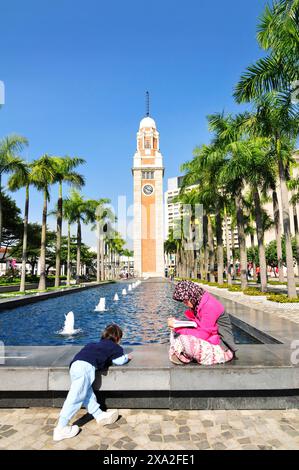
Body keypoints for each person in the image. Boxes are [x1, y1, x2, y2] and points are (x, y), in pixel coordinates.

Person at [53, 324, 132, 442]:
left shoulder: (93, 344)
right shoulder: (114, 347)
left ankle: (99, 414)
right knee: (75, 396)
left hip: (75, 365)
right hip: (85, 368)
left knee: (85, 393)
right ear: (117, 338)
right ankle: (61, 428)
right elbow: (119, 361)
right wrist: (127, 357)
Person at [168, 280, 237, 366]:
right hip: (212, 341)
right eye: (183, 301)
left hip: (223, 349)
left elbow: (203, 334)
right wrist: (177, 324)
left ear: (192, 295)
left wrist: (178, 328)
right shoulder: (198, 303)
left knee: (183, 339)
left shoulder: (209, 306)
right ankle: (184, 355)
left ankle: (184, 356)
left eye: (185, 300)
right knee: (180, 339)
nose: (185, 303)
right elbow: (196, 326)